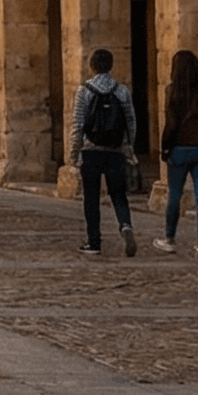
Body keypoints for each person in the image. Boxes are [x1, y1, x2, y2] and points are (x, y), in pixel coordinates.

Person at [72, 47, 140, 256]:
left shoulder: (84, 91)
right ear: (111, 66)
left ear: (92, 66)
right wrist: (128, 147)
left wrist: (74, 153)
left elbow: (77, 123)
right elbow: (131, 122)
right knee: (118, 194)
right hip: (115, 149)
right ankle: (126, 225)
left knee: (91, 197)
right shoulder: (121, 91)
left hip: (91, 150)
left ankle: (94, 241)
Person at [155, 48, 198, 258]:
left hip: (180, 149)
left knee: (174, 195)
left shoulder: (173, 91)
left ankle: (170, 238)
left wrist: (165, 148)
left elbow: (170, 123)